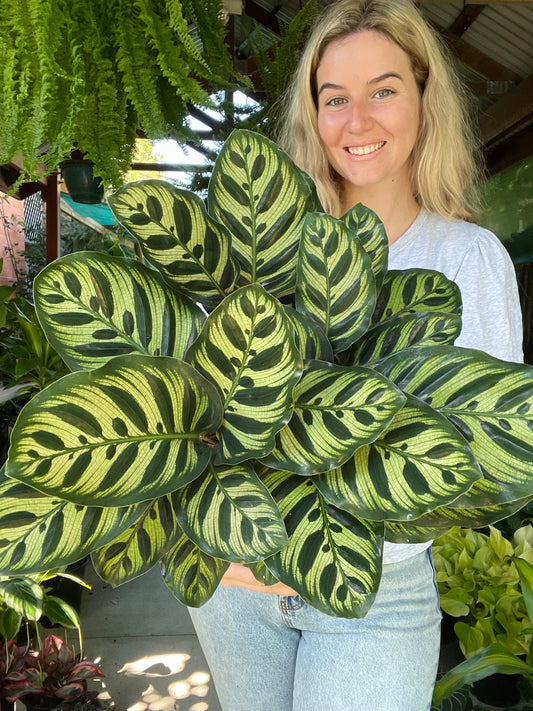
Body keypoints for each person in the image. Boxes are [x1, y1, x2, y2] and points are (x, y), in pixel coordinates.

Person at [188, 1, 524, 709]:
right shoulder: (261, 244)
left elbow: (486, 460)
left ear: (424, 98)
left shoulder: (465, 259)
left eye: (383, 90)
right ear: (312, 115)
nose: (357, 120)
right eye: (333, 98)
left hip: (370, 594)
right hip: (232, 587)